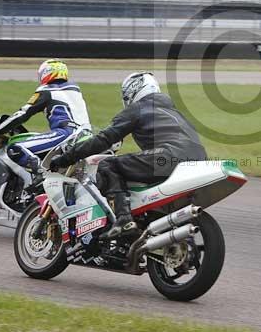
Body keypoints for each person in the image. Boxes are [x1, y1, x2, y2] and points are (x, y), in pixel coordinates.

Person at [49, 72, 206, 238]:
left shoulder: (139, 108)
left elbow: (104, 139)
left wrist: (67, 158)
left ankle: (123, 219)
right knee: (132, 165)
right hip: (198, 159)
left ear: (132, 91)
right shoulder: (174, 110)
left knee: (108, 165)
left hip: (168, 156)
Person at [0, 59, 91, 178]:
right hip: (86, 136)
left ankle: (41, 177)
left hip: (66, 134)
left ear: (46, 73)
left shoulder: (47, 91)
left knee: (16, 148)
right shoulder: (75, 89)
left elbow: (22, 114)